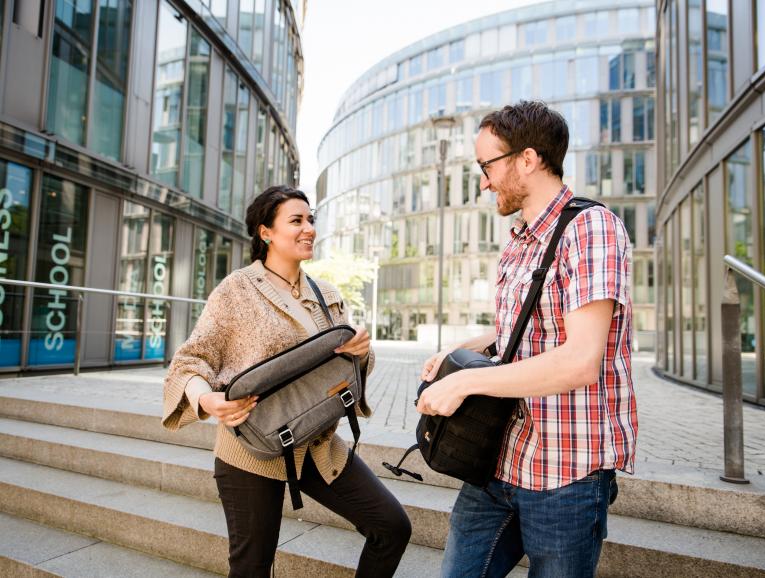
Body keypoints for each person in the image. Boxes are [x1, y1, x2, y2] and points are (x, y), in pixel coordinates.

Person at [417, 101, 637, 578]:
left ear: (528, 159)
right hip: (502, 455)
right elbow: (518, 328)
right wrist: (461, 355)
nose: (483, 181)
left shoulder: (591, 228)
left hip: (567, 471)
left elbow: (580, 360)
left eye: (487, 166)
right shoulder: (519, 239)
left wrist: (464, 385)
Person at [162, 185, 411, 578]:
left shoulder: (325, 292)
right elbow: (190, 361)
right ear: (266, 233)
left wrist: (362, 351)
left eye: (310, 219)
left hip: (316, 442)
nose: (308, 228)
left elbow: (350, 367)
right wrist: (208, 401)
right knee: (252, 568)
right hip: (251, 449)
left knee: (392, 526)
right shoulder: (237, 290)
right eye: (296, 220)